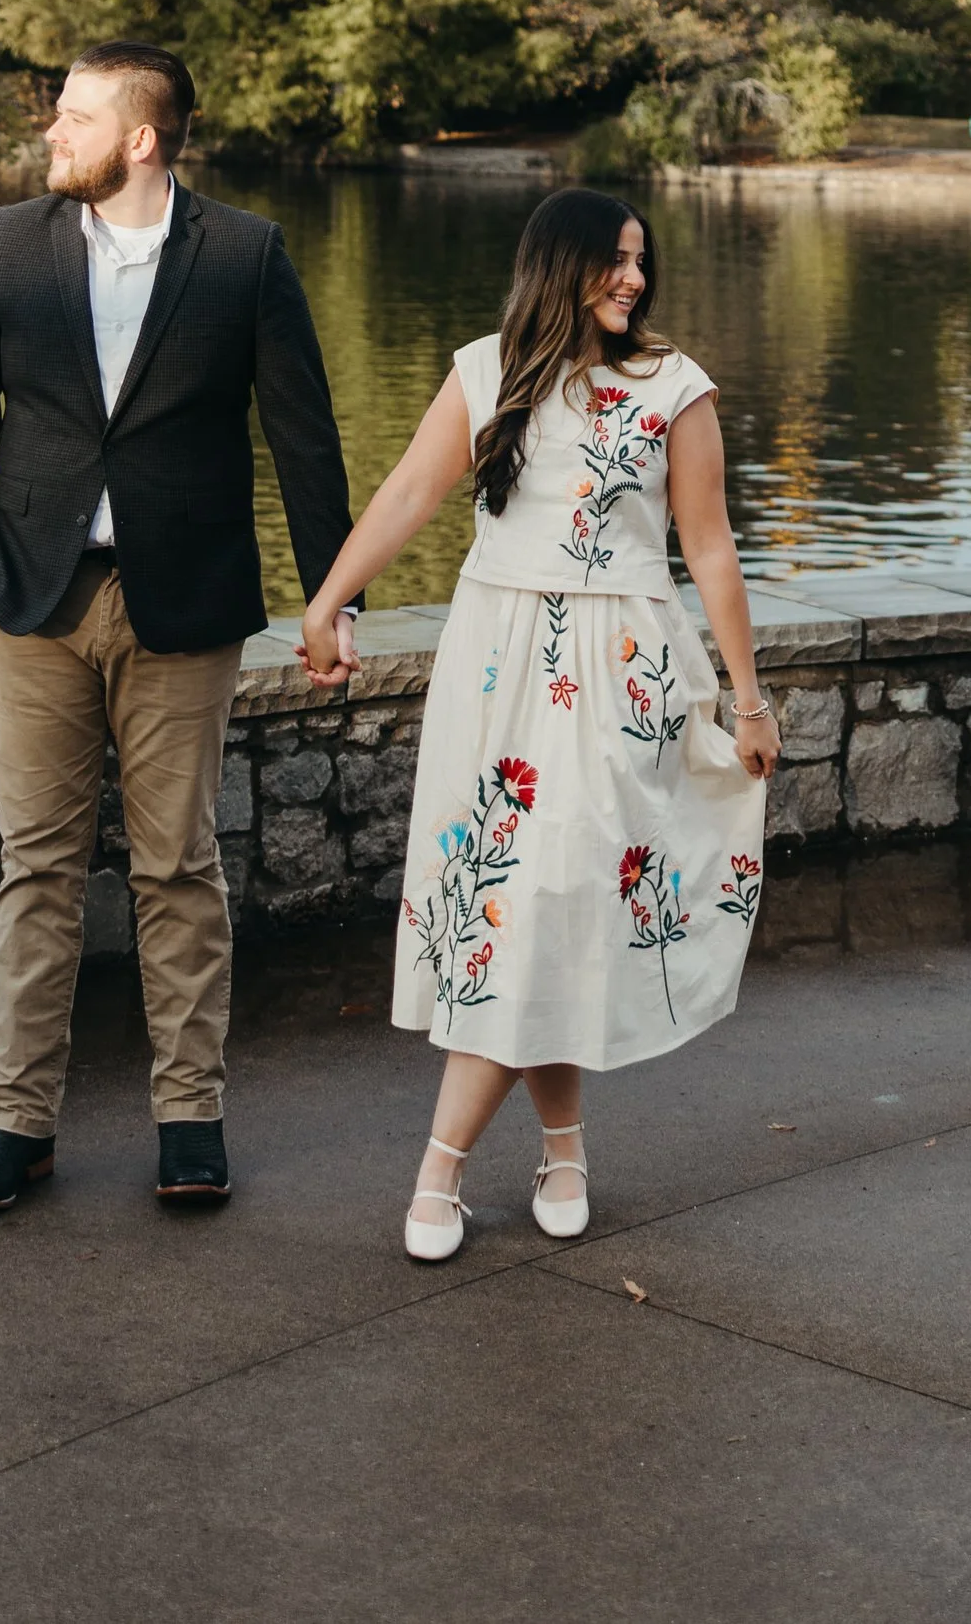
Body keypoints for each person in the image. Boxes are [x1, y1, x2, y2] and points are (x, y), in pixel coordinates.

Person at [299, 186, 781, 1259]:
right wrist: (329, 600)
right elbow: (406, 495)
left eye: (640, 261)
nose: (634, 277)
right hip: (496, 666)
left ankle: (440, 1167)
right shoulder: (486, 372)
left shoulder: (673, 386)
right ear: (557, 264)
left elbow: (708, 549)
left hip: (620, 675)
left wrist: (745, 698)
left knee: (554, 894)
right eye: (615, 258)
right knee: (520, 906)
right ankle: (561, 1145)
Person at [0, 41, 358, 1215]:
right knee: (37, 870)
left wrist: (334, 599)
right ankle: (17, 1126)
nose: (51, 134)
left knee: (177, 865)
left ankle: (190, 1118)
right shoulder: (10, 246)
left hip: (185, 602)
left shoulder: (245, 255)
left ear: (142, 139)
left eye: (72, 117)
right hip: (29, 602)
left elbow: (301, 436)